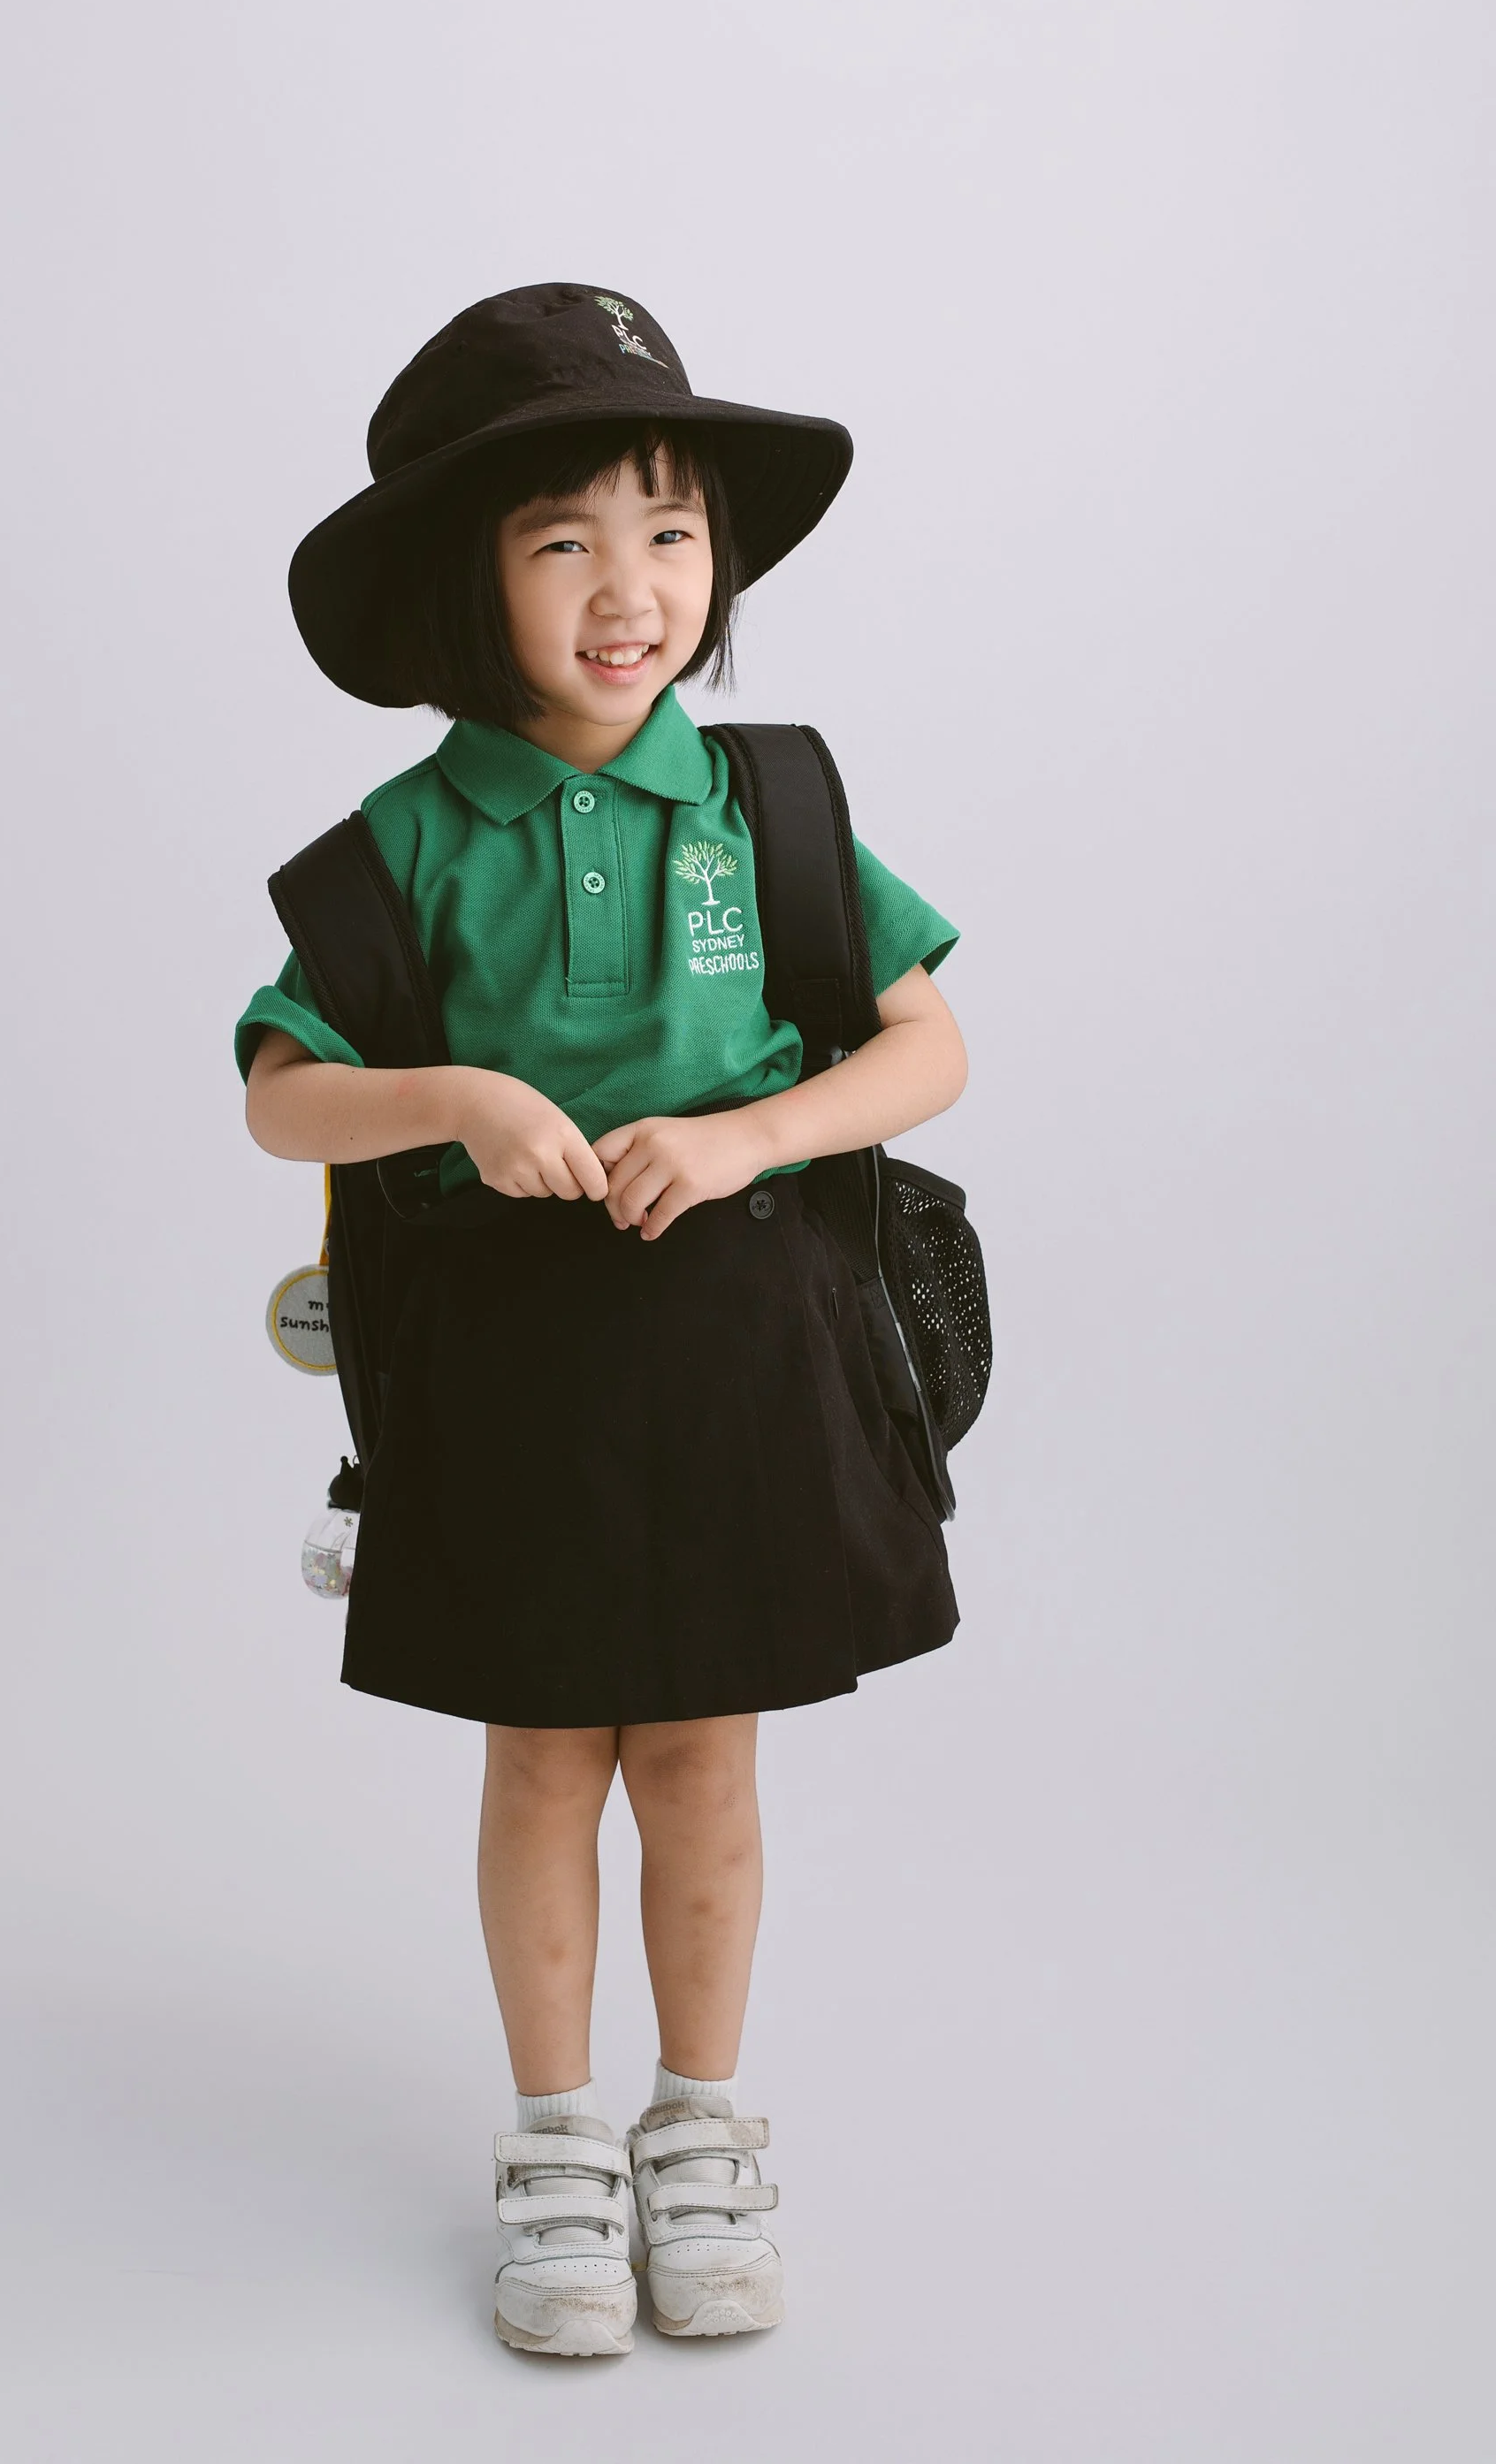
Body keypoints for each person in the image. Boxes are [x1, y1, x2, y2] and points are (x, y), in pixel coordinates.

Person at [236, 284, 967, 2355]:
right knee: (547, 1757)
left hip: (737, 1357)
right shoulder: (396, 854)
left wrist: (750, 1144)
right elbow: (278, 1093)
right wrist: (452, 1101)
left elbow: (927, 1048)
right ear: (470, 587)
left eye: (667, 530)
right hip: (509, 1380)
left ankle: (700, 2123)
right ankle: (557, 2141)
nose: (631, 588)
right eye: (563, 540)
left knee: (707, 1758)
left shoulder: (775, 810)